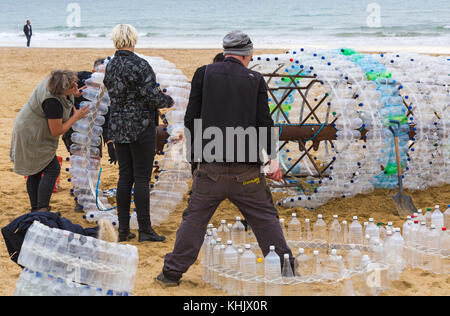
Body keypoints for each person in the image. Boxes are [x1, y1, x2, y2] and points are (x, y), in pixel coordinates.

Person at [157, 30, 293, 286]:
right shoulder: (255, 79)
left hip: (210, 166)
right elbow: (264, 123)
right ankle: (286, 268)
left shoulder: (203, 73)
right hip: (247, 171)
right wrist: (271, 159)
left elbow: (191, 120)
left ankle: (171, 274)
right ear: (247, 55)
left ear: (226, 51)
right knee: (265, 219)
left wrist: (195, 161)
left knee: (194, 220)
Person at [103, 24, 174, 243]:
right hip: (141, 125)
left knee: (125, 176)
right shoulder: (140, 65)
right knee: (142, 177)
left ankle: (123, 230)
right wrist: (169, 101)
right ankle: (145, 230)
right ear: (134, 40)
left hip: (118, 125)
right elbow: (151, 96)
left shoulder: (111, 65)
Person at [10, 70, 91, 212]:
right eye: (72, 85)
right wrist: (76, 117)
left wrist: (75, 93)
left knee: (35, 170)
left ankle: (36, 208)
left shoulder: (53, 82)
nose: (76, 85)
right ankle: (42, 208)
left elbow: (66, 93)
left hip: (30, 126)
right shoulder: (52, 102)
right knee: (51, 169)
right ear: (63, 90)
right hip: (32, 133)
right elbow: (57, 130)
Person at [62, 58, 117, 212]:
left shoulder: (109, 90)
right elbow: (60, 97)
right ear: (94, 72)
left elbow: (107, 118)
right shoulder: (77, 80)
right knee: (80, 162)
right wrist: (75, 95)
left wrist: (110, 141)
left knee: (93, 162)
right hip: (73, 131)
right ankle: (80, 200)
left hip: (94, 132)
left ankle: (89, 195)